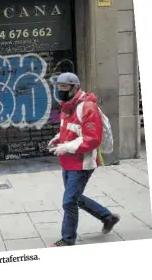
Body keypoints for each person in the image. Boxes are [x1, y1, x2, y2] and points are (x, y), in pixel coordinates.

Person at [47, 72, 120, 247]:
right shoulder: (67, 105)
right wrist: (58, 138)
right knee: (75, 198)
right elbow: (71, 129)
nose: (61, 91)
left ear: (75, 87)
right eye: (59, 87)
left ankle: (68, 239)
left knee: (69, 201)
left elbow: (92, 139)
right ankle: (107, 217)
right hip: (68, 161)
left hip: (82, 163)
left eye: (64, 87)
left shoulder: (87, 107)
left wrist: (66, 146)